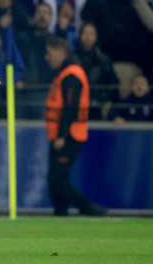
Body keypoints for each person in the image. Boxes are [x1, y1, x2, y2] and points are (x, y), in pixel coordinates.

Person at [44, 36, 106, 217]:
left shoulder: (72, 75)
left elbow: (71, 107)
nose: (47, 58)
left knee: (56, 179)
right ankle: (60, 211)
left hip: (69, 134)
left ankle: (88, 208)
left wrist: (61, 136)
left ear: (60, 52)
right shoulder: (66, 73)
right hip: (62, 134)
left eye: (49, 53)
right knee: (55, 178)